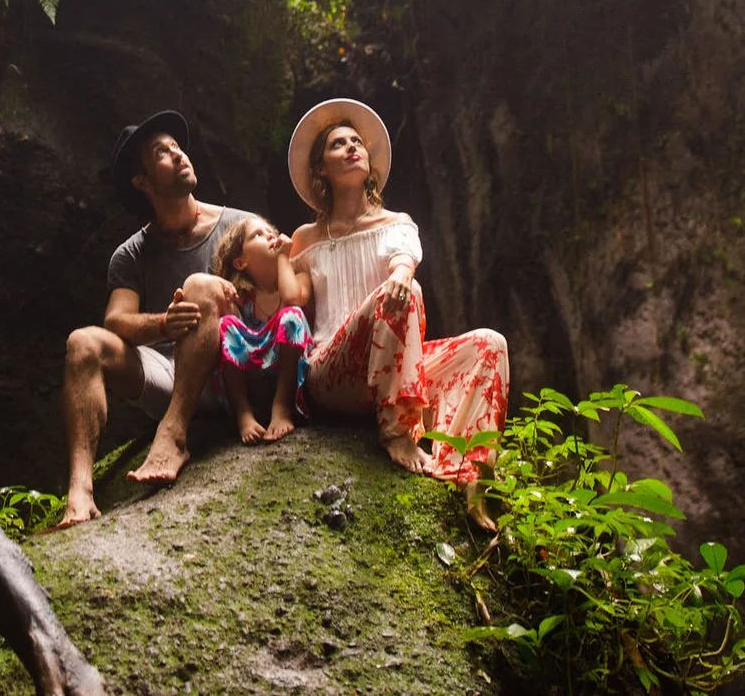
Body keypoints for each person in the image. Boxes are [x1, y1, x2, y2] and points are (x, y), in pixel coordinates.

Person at [287, 97, 508, 529]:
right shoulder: (306, 238)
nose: (352, 147)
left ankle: (469, 473)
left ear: (369, 163)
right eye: (338, 144)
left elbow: (404, 259)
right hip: (331, 373)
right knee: (399, 293)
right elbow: (291, 301)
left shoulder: (396, 223)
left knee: (488, 343)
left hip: (391, 363)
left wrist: (402, 273)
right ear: (322, 171)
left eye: (357, 142)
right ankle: (398, 433)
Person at [59, 110, 244, 525]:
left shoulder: (240, 226)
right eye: (163, 152)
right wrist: (164, 323)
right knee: (81, 343)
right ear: (142, 181)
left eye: (178, 147)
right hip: (172, 374)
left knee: (201, 285)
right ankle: (80, 491)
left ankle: (173, 435)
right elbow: (116, 322)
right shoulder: (130, 255)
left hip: (236, 370)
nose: (180, 155)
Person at [210, 214, 310, 446]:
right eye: (257, 234)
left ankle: (282, 406)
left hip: (290, 377)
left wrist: (284, 258)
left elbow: (292, 299)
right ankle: (243, 413)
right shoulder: (242, 297)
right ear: (240, 262)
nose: (269, 235)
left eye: (271, 231)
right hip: (255, 381)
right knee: (225, 325)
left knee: (291, 315)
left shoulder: (300, 278)